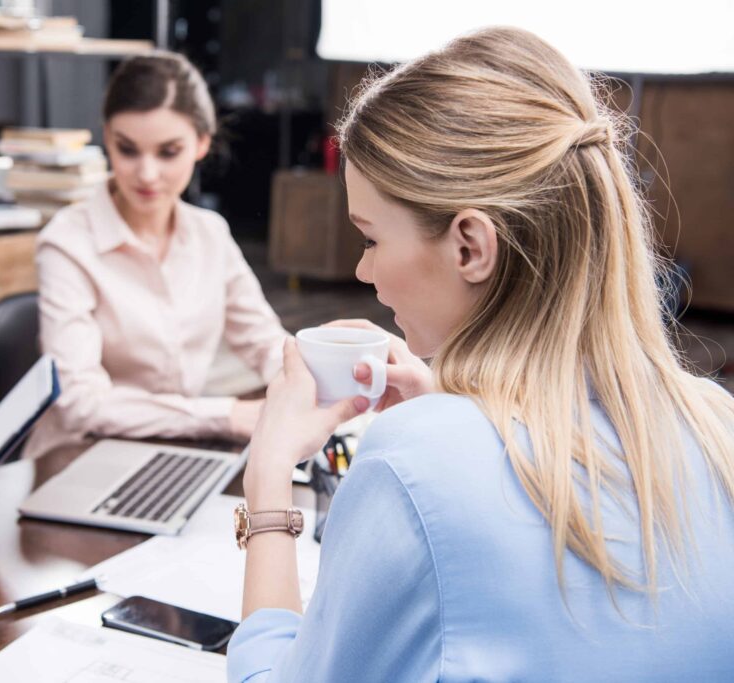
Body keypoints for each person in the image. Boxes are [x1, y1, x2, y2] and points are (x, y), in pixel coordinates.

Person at [229, 27, 734, 681]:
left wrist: (268, 472)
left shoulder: (415, 458)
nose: (363, 270)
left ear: (470, 245)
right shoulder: (713, 421)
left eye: (372, 238)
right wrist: (456, 407)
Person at [25, 51, 288, 456]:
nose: (146, 174)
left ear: (201, 143)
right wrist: (226, 415)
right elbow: (80, 403)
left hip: (177, 451)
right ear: (107, 136)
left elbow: (265, 342)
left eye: (168, 152)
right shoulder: (67, 243)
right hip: (77, 458)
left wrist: (310, 384)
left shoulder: (209, 234)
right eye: (127, 149)